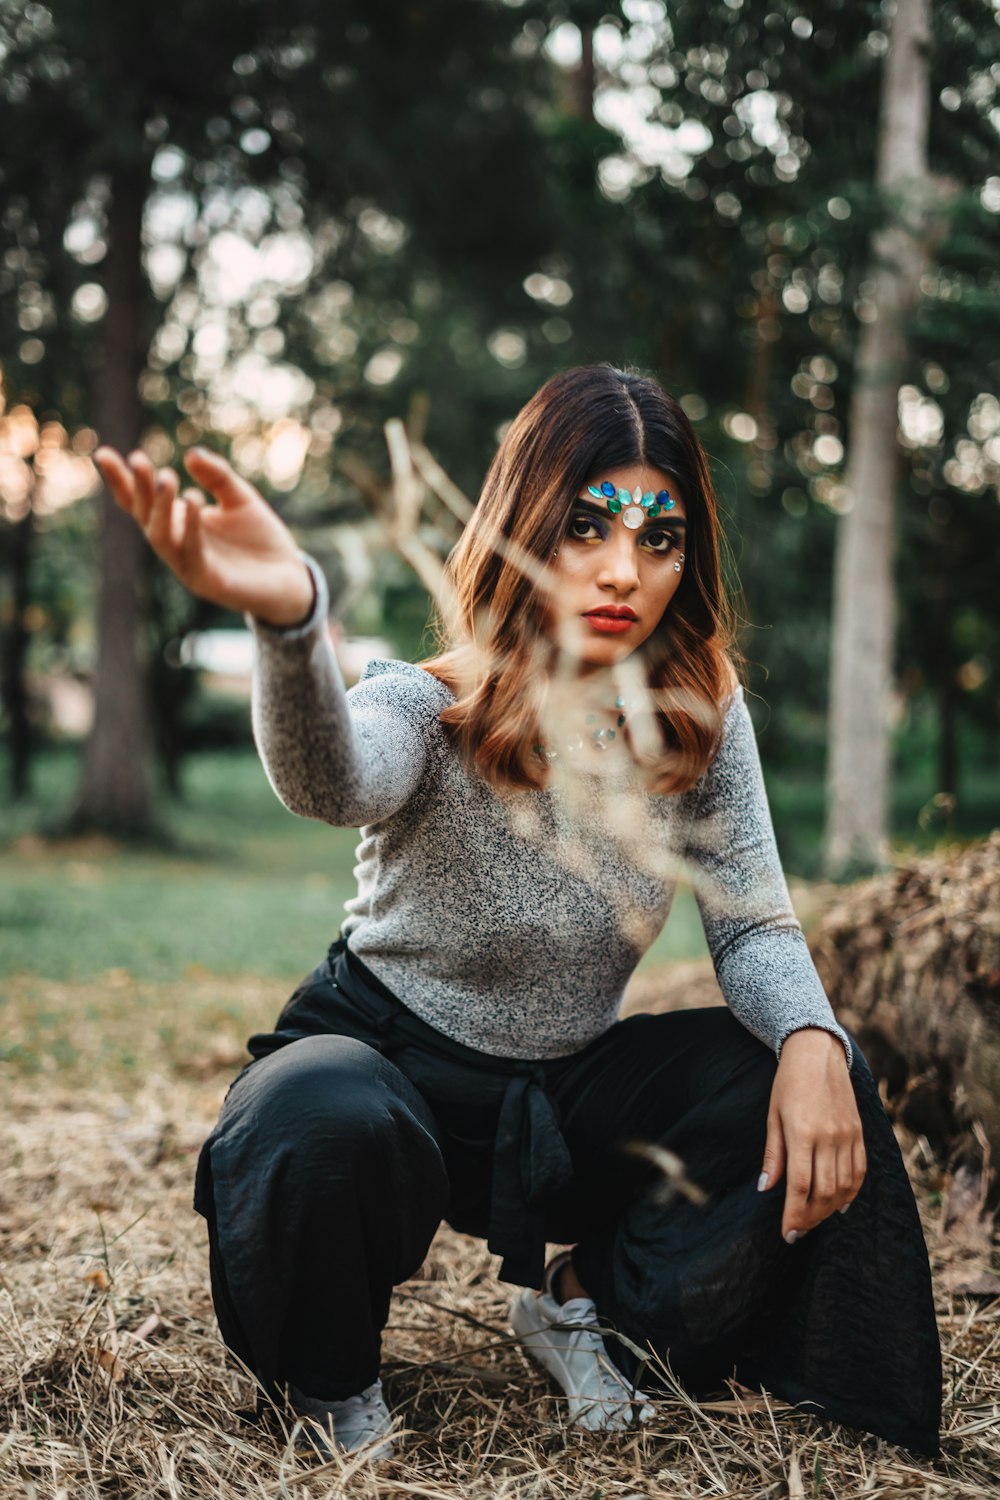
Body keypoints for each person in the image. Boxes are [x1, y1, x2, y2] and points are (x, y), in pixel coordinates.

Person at [94, 363, 941, 1462]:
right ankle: (333, 1383)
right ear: (522, 529)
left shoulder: (696, 714)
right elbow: (328, 781)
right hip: (385, 1070)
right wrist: (293, 622)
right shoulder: (427, 701)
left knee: (799, 1068)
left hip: (563, 1095)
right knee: (310, 1111)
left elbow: (755, 928)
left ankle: (582, 1300)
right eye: (585, 526)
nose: (622, 569)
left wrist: (816, 1038)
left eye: (659, 538)